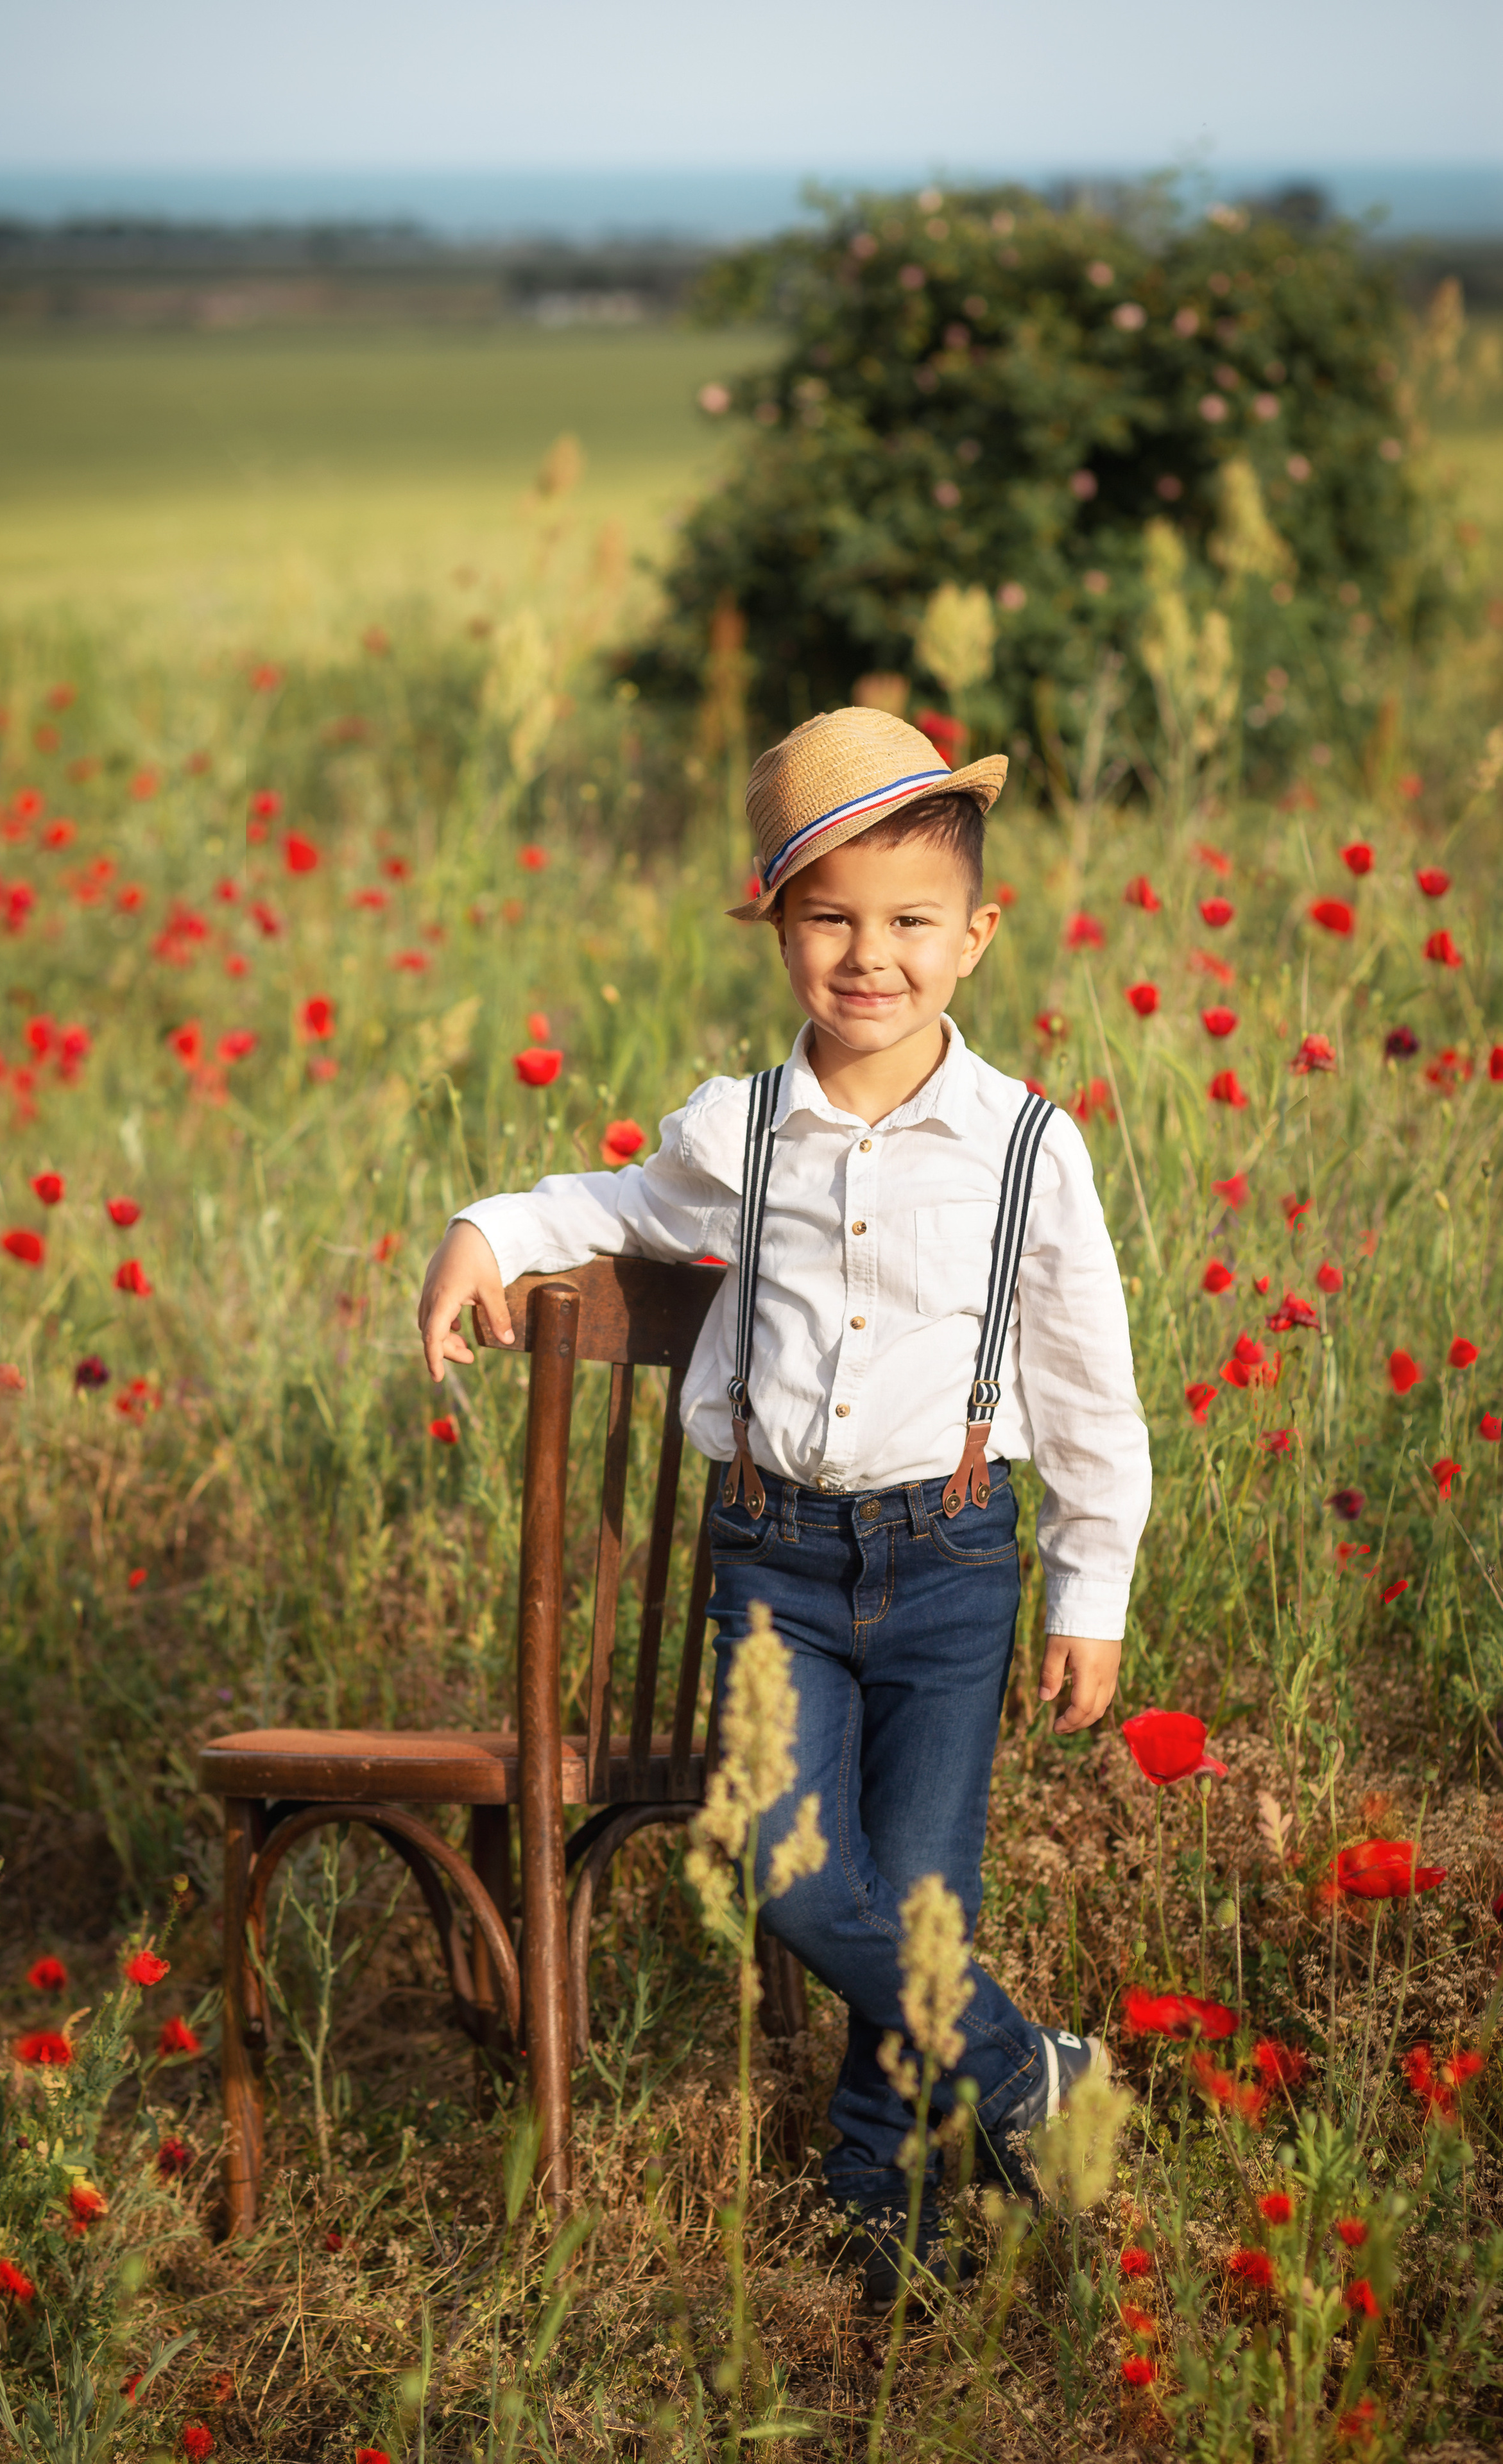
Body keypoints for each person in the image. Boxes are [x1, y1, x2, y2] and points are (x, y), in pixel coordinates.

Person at [417, 705, 1151, 2309]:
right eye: (828, 917)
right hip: (773, 1560)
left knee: (924, 1894)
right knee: (786, 1865)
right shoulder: (733, 1130)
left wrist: (1088, 1592)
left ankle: (876, 2193)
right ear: (775, 928)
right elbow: (606, 1204)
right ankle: (1033, 2075)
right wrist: (485, 1225)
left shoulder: (1029, 1147)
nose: (867, 955)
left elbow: (1089, 1389)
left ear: (975, 936)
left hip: (954, 1560)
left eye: (905, 921)